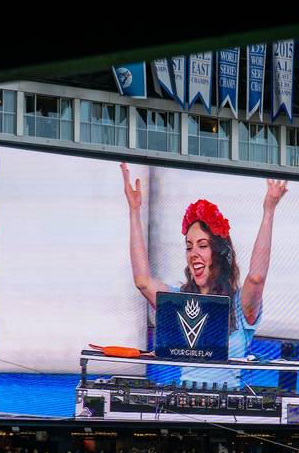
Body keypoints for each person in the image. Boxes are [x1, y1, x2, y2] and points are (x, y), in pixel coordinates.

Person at [121, 163, 288, 387]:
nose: (194, 254)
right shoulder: (178, 300)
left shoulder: (239, 306)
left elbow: (256, 278)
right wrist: (134, 211)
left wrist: (269, 210)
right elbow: (142, 281)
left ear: (219, 253)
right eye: (189, 247)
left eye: (202, 245)